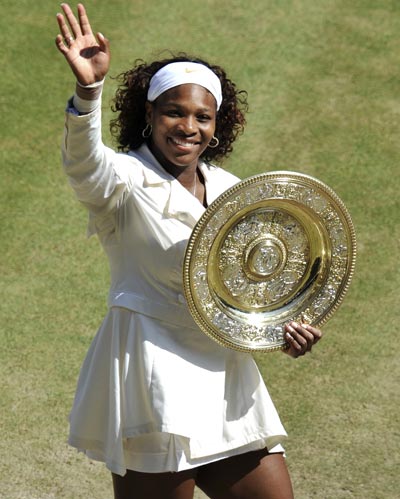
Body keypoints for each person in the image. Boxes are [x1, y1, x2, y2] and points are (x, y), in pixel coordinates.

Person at [55, 4, 322, 499]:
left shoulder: (231, 189)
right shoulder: (124, 179)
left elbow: (248, 289)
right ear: (149, 115)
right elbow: (83, 165)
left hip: (225, 377)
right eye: (174, 112)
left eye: (203, 116)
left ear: (218, 125)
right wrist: (89, 91)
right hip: (151, 374)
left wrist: (281, 329)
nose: (188, 127)